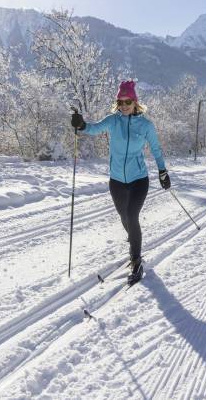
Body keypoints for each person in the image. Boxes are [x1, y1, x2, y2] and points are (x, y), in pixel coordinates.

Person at [70, 80, 170, 284]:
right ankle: (135, 240)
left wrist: (162, 171)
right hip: (116, 181)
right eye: (120, 102)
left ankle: (136, 260)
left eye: (128, 101)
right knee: (125, 218)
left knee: (132, 216)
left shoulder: (145, 125)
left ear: (135, 102)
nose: (124, 105)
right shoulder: (113, 121)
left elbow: (156, 149)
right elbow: (93, 129)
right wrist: (80, 125)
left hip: (138, 180)